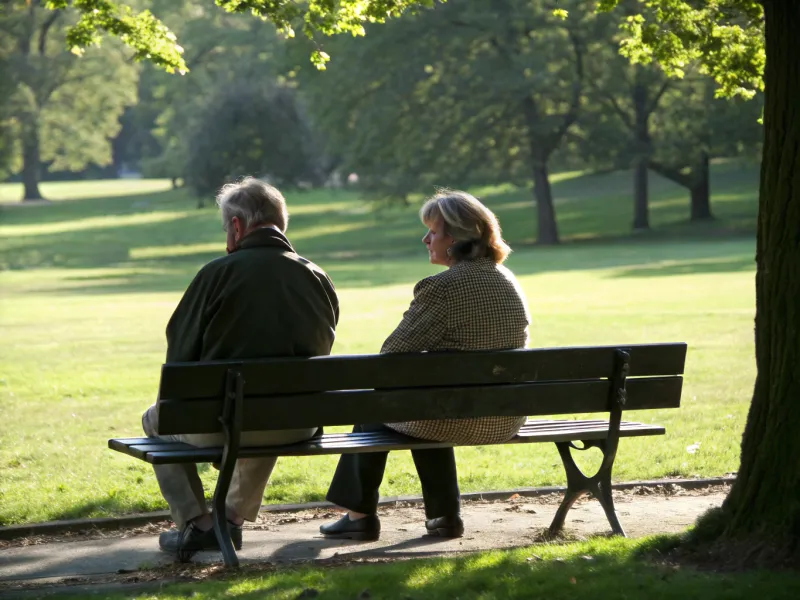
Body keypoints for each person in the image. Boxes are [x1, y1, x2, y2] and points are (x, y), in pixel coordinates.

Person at [143, 177, 339, 559]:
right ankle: (229, 520)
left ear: (236, 226)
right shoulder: (316, 276)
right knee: (267, 401)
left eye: (224, 228)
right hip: (296, 424)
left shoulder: (215, 274)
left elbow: (179, 356)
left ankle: (197, 523)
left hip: (222, 423)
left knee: (157, 420)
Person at [320, 189, 530, 541]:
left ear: (456, 239)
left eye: (433, 232)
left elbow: (391, 355)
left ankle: (358, 516)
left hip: (457, 417)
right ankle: (444, 516)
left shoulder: (442, 287)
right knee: (430, 405)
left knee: (379, 403)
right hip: (503, 417)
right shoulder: (508, 281)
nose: (425, 238)